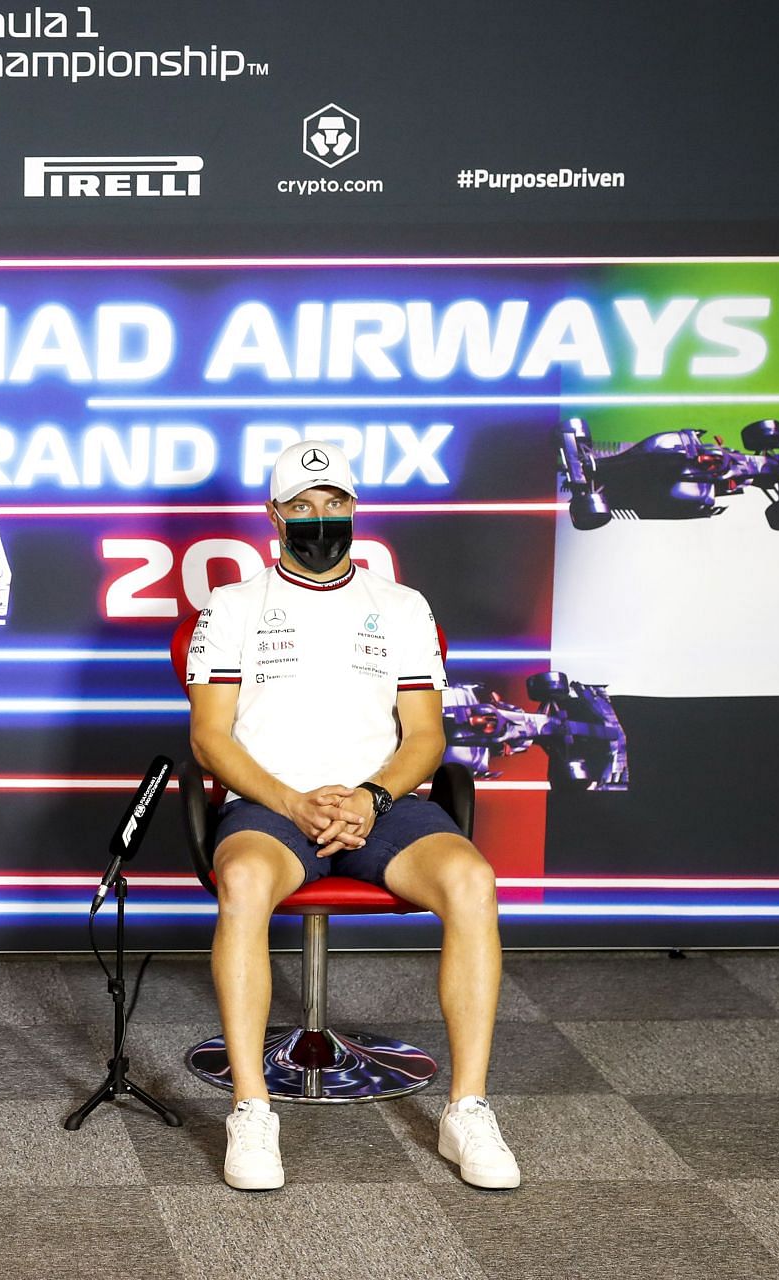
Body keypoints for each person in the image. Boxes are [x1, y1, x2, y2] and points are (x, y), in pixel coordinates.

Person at [184, 440, 521, 1191]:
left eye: (331, 503)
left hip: (382, 806)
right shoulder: (233, 606)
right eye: (300, 507)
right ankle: (252, 1109)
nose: (318, 518)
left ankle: (467, 1109)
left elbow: (428, 737)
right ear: (273, 517)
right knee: (241, 885)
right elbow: (209, 736)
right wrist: (294, 802)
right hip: (275, 806)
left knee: (472, 881)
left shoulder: (401, 606)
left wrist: (369, 799)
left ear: (353, 508)